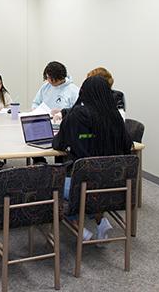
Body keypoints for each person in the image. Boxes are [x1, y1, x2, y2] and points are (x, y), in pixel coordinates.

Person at [52, 76, 133, 241]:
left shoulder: (78, 115)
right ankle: (100, 220)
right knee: (93, 185)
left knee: (54, 185)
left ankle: (79, 229)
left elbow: (57, 144)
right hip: (116, 186)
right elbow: (128, 145)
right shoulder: (116, 117)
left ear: (84, 92)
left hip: (85, 185)